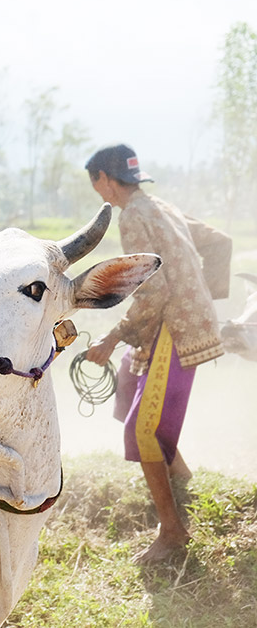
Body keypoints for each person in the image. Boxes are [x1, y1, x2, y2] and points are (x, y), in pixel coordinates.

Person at [84, 143, 228, 564]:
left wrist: (111, 339)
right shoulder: (159, 204)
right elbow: (219, 241)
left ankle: (173, 531)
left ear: (106, 180)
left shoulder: (133, 216)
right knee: (129, 387)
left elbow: (154, 292)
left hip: (175, 329)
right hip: (181, 321)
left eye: (96, 182)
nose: (98, 191)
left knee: (142, 429)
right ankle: (178, 476)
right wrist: (204, 298)